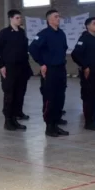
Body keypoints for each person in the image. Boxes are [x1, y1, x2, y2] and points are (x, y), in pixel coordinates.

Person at [29, 9, 69, 137]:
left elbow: (64, 48)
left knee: (60, 97)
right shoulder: (44, 34)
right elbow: (32, 48)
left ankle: (56, 124)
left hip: (61, 69)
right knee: (50, 98)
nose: (59, 18)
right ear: (49, 20)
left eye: (59, 16)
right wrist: (42, 63)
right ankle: (49, 126)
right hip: (50, 70)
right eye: (56, 16)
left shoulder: (61, 33)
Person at [0, 9, 32, 131]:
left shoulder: (21, 32)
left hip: (22, 69)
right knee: (10, 95)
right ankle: (8, 121)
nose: (20, 20)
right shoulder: (4, 33)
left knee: (19, 95)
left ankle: (15, 119)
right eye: (17, 18)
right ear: (11, 19)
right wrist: (1, 65)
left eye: (20, 18)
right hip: (10, 69)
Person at [70, 17, 95, 131]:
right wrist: (84, 66)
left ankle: (93, 117)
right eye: (94, 24)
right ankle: (88, 122)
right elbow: (75, 54)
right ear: (88, 26)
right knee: (88, 97)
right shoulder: (84, 38)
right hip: (88, 73)